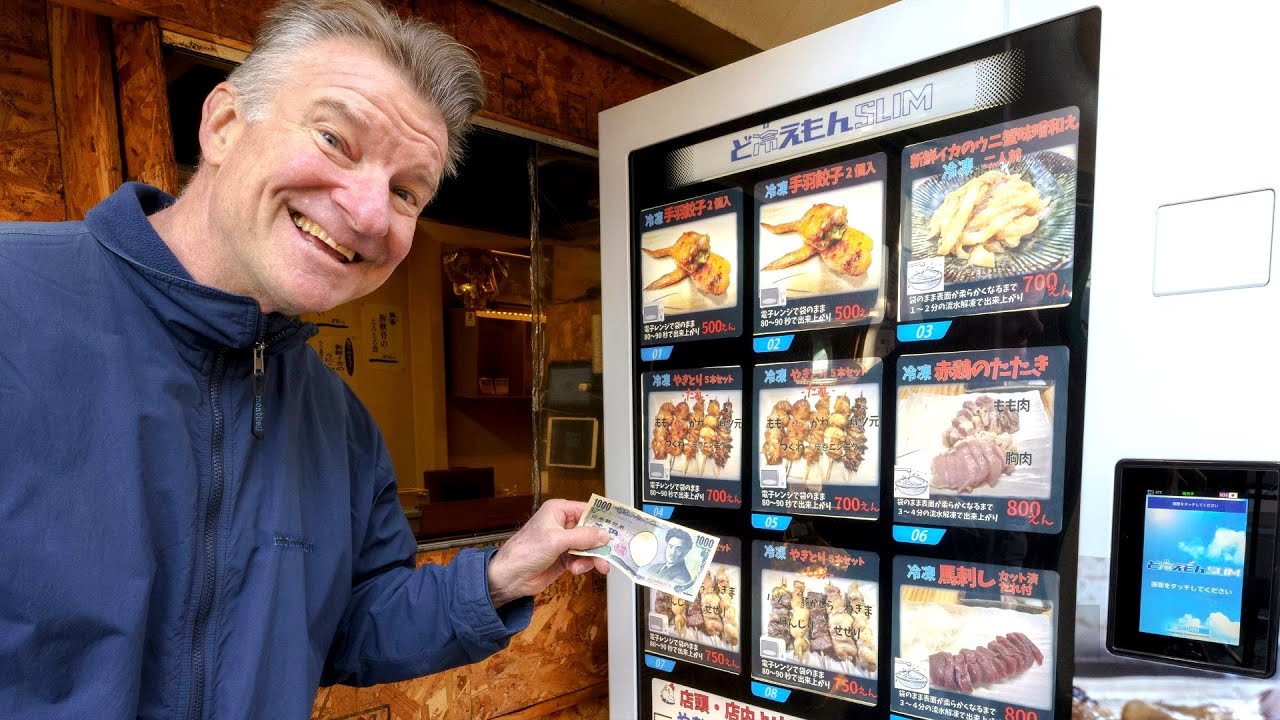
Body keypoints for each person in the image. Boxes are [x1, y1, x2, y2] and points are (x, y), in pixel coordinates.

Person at [0, 0, 609, 717]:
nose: (370, 212)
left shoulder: (338, 420)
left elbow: (350, 623)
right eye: (334, 139)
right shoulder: (17, 303)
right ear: (224, 123)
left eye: (407, 192)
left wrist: (502, 576)